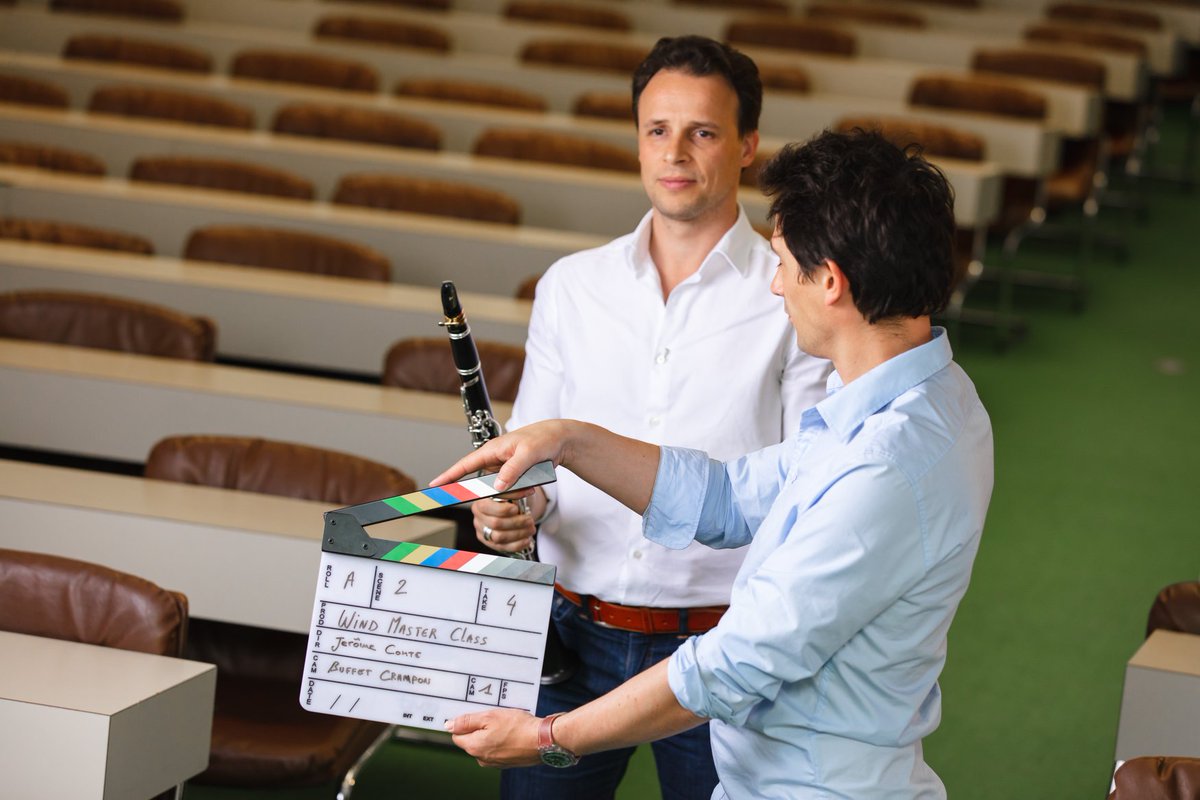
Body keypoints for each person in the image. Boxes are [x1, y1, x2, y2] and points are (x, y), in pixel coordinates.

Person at [436, 129, 995, 799]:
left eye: (783, 264)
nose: (774, 287)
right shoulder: (922, 391)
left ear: (831, 282)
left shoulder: (885, 465)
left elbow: (732, 666)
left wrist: (548, 738)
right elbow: (729, 496)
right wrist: (567, 440)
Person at [470, 34, 830, 800]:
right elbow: (534, 464)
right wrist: (512, 508)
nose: (676, 152)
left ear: (747, 147)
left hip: (722, 649)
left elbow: (808, 484)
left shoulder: (791, 291)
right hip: (570, 638)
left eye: (702, 132)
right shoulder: (572, 286)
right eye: (656, 130)